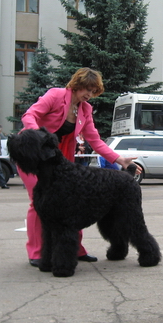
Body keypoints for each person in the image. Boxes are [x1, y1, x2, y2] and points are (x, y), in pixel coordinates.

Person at [19, 67, 139, 268]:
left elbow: (95, 141)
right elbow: (29, 115)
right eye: (87, 89)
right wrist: (40, 137)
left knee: (73, 204)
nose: (89, 94)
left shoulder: (85, 109)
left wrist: (120, 160)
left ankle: (75, 249)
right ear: (77, 85)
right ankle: (37, 252)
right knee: (39, 204)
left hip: (61, 158)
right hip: (36, 157)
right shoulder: (55, 95)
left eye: (93, 91)